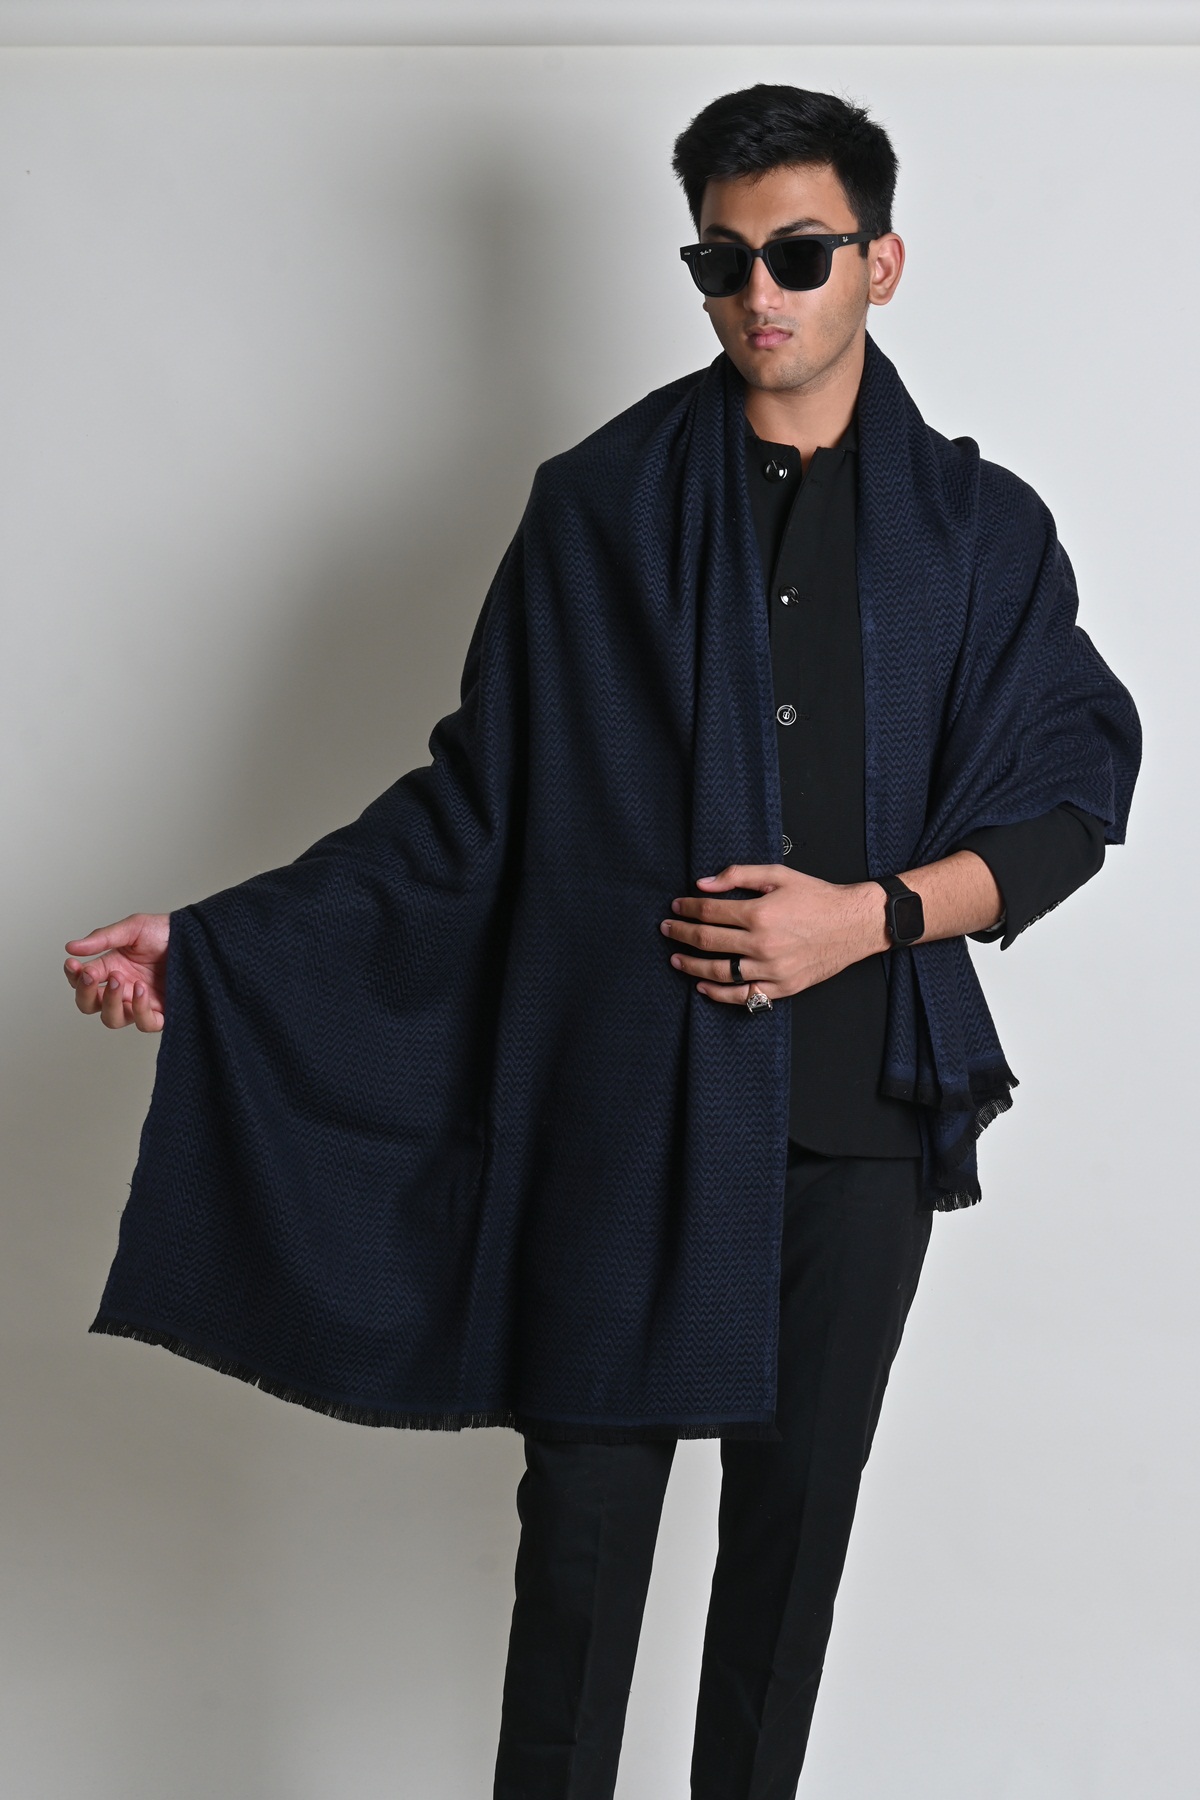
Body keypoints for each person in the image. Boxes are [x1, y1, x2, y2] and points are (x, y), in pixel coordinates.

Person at [64, 85, 1140, 1800]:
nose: (760, 294)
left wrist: (863, 919)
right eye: (723, 261)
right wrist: (217, 947)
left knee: (790, 1556)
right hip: (628, 1103)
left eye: (799, 254)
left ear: (882, 263)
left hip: (857, 1116)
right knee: (579, 1556)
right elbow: (472, 808)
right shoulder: (602, 506)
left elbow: (1072, 798)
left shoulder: (978, 535)